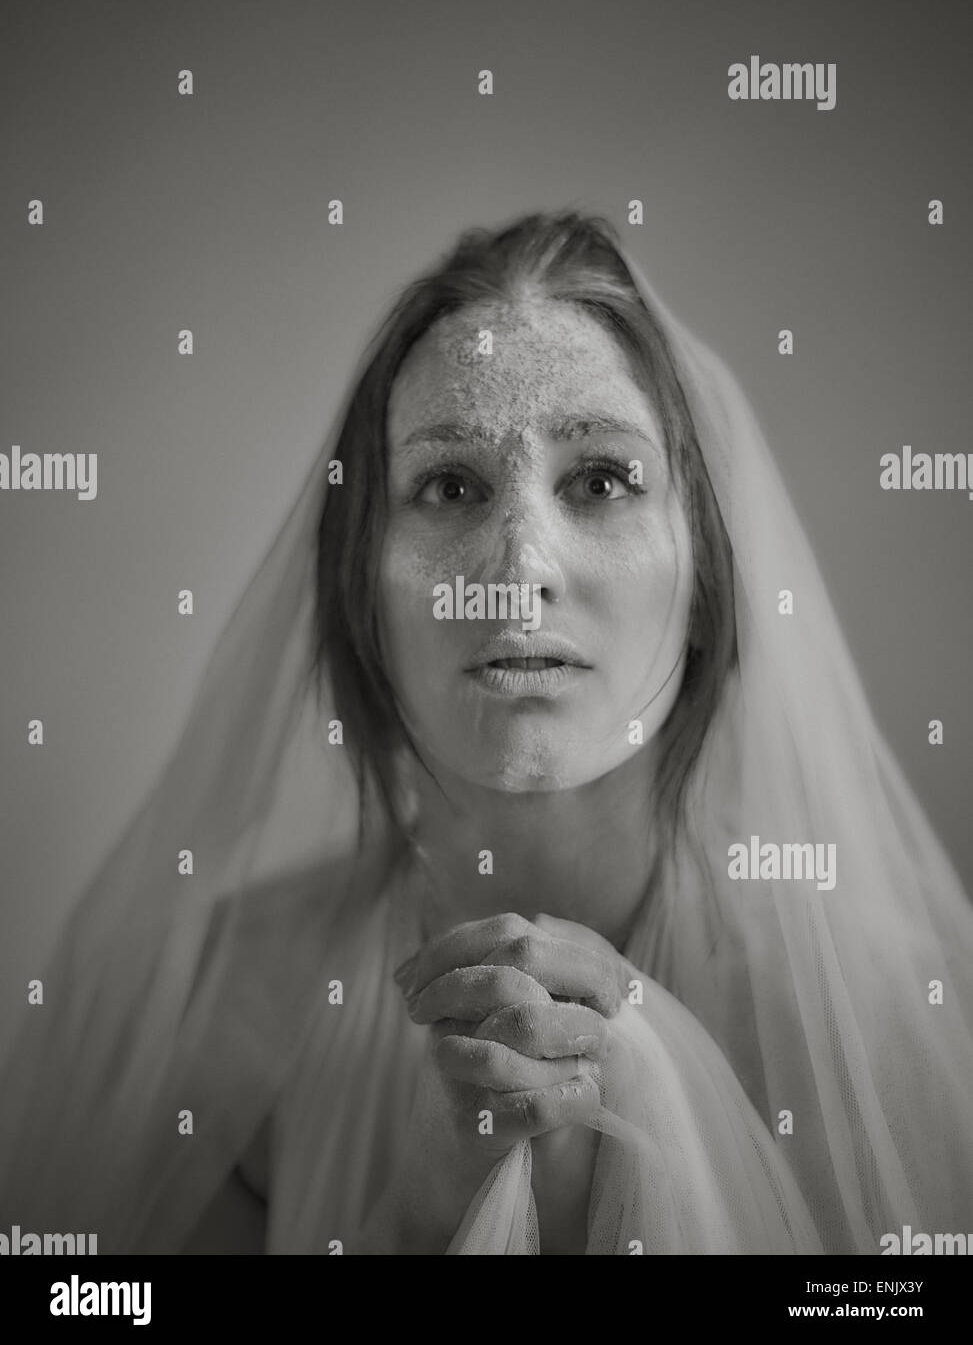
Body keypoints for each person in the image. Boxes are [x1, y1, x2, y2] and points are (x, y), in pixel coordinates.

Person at [2, 210, 971, 1256]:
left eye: (601, 479)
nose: (516, 567)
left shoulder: (880, 1025)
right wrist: (420, 1216)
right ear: (358, 589)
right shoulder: (200, 1009)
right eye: (449, 485)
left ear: (703, 587)